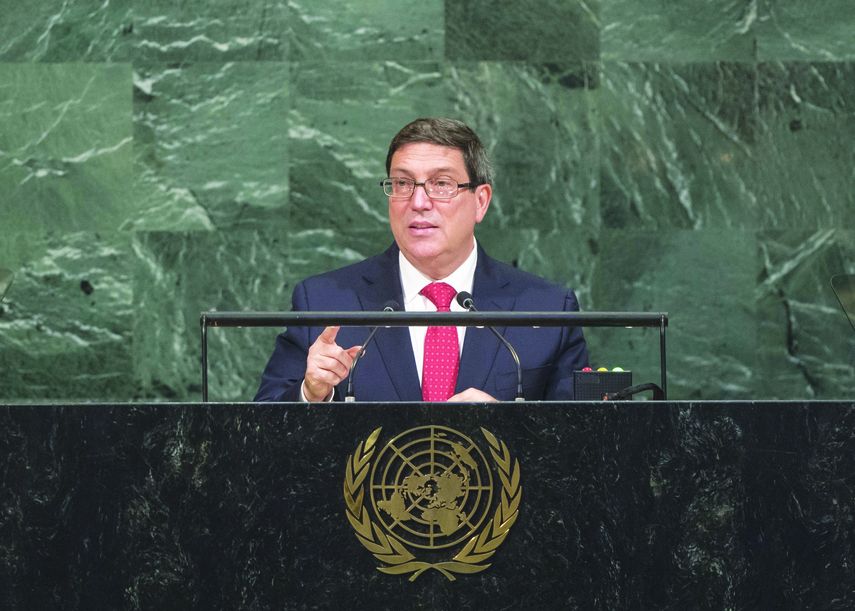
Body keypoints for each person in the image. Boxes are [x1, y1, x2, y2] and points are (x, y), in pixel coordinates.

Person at [254, 117, 589, 402]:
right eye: (402, 183)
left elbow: (583, 446)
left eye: (441, 184)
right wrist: (310, 393)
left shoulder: (547, 311)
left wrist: (509, 429)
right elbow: (257, 434)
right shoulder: (324, 303)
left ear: (481, 201)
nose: (418, 202)